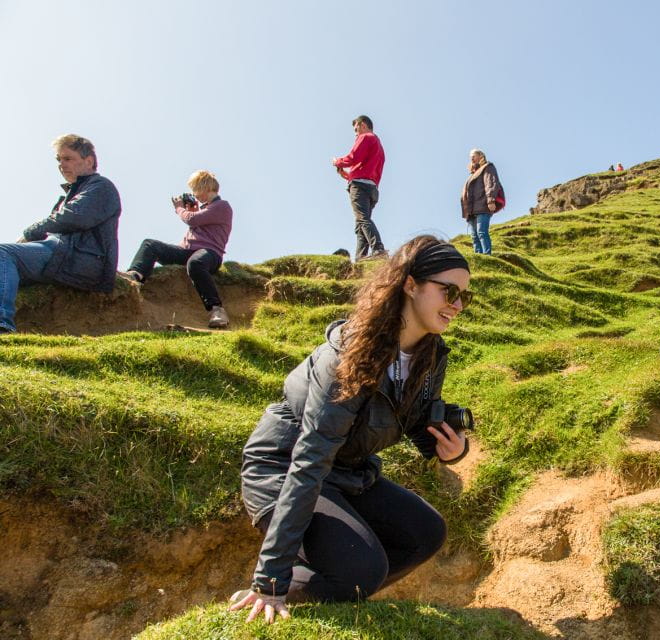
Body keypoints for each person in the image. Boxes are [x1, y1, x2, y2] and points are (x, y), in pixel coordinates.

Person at [229, 236, 473, 624]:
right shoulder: (346, 356)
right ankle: (277, 589)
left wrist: (449, 448)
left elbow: (414, 418)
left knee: (426, 533)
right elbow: (309, 461)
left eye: (465, 297)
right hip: (285, 467)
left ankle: (339, 590)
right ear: (410, 284)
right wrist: (271, 577)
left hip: (347, 471)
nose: (458, 305)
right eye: (449, 291)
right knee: (362, 568)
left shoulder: (428, 353)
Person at [0, 134, 121, 334]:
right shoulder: (71, 194)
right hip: (63, 254)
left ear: (89, 160)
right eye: (59, 160)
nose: (61, 165)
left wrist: (30, 232)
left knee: (3, 253)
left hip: (82, 259)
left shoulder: (101, 187)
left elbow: (73, 217)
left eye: (67, 158)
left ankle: (3, 325)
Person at [120, 171, 233, 328]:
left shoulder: (222, 206)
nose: (195, 195)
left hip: (210, 253)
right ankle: (135, 275)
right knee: (150, 244)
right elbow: (196, 220)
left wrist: (180, 208)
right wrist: (193, 211)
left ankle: (217, 309)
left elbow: (192, 220)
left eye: (196, 190)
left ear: (204, 187)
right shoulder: (205, 210)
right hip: (187, 250)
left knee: (196, 263)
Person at [332, 115, 387, 262]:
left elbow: (353, 157)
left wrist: (338, 162)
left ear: (363, 124)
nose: (355, 132)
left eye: (356, 128)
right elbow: (365, 169)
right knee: (361, 224)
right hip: (372, 188)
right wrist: (346, 175)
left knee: (362, 220)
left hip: (360, 186)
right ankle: (360, 258)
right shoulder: (379, 146)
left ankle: (378, 249)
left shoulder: (366, 137)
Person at [460, 149, 503, 255]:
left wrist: (491, 199)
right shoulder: (472, 175)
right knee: (474, 236)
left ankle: (487, 255)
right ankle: (478, 257)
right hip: (472, 210)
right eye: (470, 156)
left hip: (483, 205)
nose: (471, 158)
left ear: (481, 156)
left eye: (474, 155)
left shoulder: (488, 167)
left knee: (481, 232)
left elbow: (491, 183)